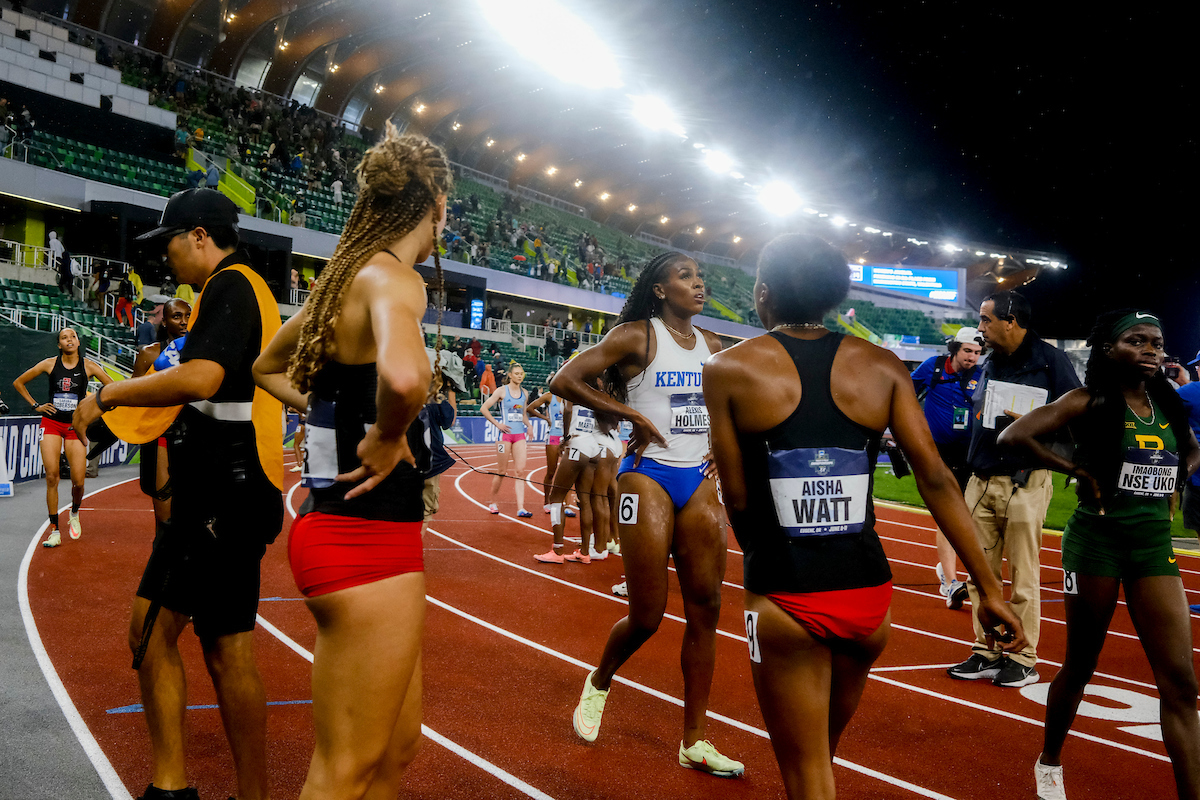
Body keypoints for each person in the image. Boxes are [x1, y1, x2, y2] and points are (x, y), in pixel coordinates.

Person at [704, 233, 1025, 800]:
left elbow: (737, 495)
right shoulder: (881, 366)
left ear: (761, 293)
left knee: (806, 776)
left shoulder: (729, 369)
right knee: (819, 759)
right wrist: (989, 587)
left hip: (785, 593)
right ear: (834, 295)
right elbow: (936, 480)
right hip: (869, 595)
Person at [252, 126, 447, 799]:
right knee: (345, 771)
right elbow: (402, 380)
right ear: (438, 205)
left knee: (395, 750)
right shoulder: (395, 279)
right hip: (366, 546)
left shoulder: (343, 280)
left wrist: (328, 411)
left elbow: (265, 366)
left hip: (349, 534)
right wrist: (390, 434)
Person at [71, 188, 284, 800]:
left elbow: (204, 377)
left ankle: (171, 789)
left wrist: (107, 394)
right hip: (238, 491)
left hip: (220, 496)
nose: (164, 258)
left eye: (167, 241)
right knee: (226, 645)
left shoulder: (230, 284)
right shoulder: (250, 287)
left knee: (149, 631)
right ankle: (244, 794)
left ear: (197, 235)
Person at [551, 252, 744, 776]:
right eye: (685, 276)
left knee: (706, 607)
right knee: (648, 614)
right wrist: (629, 412)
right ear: (660, 289)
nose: (698, 283)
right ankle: (599, 680)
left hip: (699, 482)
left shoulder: (715, 347)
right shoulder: (637, 336)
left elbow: (727, 410)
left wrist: (723, 452)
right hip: (648, 476)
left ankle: (695, 740)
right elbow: (564, 380)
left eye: (701, 276)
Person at [997, 309, 1200, 800]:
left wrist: (1180, 472)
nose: (1151, 349)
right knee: (1082, 665)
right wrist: (1076, 469)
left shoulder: (1166, 404)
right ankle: (1050, 759)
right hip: (1097, 544)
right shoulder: (1085, 400)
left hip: (1153, 546)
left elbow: (1193, 447)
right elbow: (1013, 435)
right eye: (1137, 340)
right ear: (1109, 350)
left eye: (1156, 341)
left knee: (1180, 684)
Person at [946, 291, 1081, 689]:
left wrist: (1034, 422)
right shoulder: (991, 359)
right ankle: (986, 649)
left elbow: (1076, 413)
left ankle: (1023, 656)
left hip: (1027, 478)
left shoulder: (1051, 359)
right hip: (982, 477)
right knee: (979, 574)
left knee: (1023, 576)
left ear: (1011, 320)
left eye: (986, 320)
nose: (980, 328)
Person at [12, 328, 113, 547]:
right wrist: (36, 405)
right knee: (52, 476)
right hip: (51, 424)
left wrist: (95, 407)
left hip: (74, 427)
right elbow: (18, 382)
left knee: (78, 481)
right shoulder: (49, 364)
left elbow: (113, 389)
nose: (69, 340)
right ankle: (54, 530)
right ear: (59, 345)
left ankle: (74, 512)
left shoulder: (89, 366)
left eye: (73, 337)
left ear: (78, 342)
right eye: (64, 338)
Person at [910, 326, 984, 608]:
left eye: (977, 352)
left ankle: (946, 569)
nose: (972, 358)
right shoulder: (933, 367)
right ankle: (951, 583)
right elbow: (906, 393)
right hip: (938, 454)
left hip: (970, 454)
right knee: (949, 514)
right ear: (955, 349)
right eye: (967, 351)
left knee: (970, 515)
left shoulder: (981, 374)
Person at [129, 298, 192, 524]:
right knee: (165, 516)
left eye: (188, 316)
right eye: (177, 316)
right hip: (162, 435)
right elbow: (132, 393)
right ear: (164, 321)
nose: (184, 322)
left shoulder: (201, 352)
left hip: (196, 436)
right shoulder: (150, 354)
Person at [480, 362, 533, 517]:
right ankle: (493, 502)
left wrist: (529, 425)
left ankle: (521, 508)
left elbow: (523, 414)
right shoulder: (501, 391)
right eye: (516, 373)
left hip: (519, 435)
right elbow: (484, 408)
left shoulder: (524, 393)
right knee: (502, 471)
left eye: (521, 373)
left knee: (520, 471)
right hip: (504, 436)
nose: (519, 376)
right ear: (510, 375)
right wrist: (498, 424)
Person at [422, 376, 457, 521]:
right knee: (425, 511)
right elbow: (449, 422)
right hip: (430, 458)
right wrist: (450, 392)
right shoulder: (437, 400)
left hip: (404, 458)